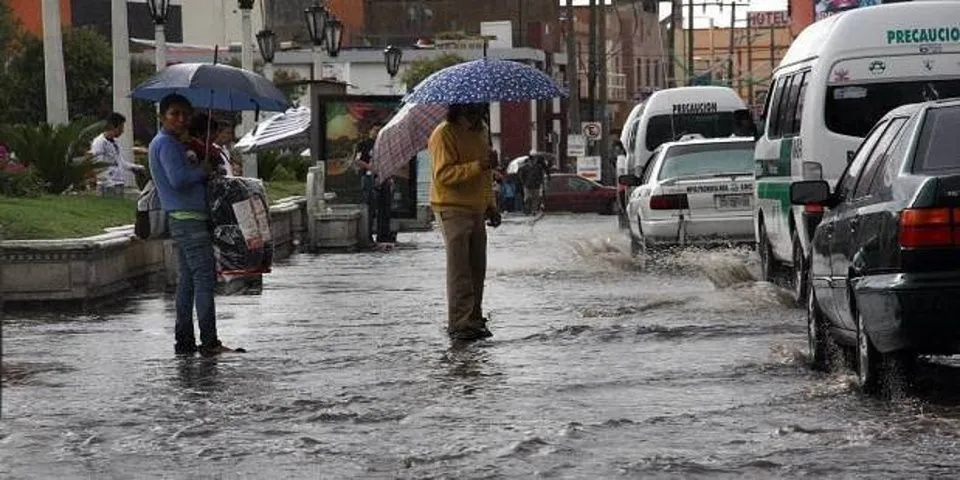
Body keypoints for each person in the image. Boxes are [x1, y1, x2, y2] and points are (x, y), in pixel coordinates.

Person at [149, 94, 239, 356]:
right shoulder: (166, 144)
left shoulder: (173, 143)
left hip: (188, 218)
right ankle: (210, 342)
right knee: (204, 279)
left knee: (188, 282)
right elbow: (178, 180)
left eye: (185, 114)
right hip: (188, 219)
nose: (181, 119)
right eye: (174, 114)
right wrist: (202, 171)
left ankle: (185, 341)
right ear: (162, 116)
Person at [427, 103, 501, 342]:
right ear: (461, 109)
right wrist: (479, 165)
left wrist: (491, 204)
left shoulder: (482, 130)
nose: (478, 115)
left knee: (477, 267)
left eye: (481, 110)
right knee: (460, 269)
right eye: (473, 111)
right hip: (451, 207)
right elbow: (444, 175)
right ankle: (460, 322)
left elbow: (485, 175)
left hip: (477, 207)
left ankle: (474, 316)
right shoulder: (443, 134)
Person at [90, 112, 138, 196]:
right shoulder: (99, 142)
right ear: (112, 127)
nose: (122, 131)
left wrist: (136, 167)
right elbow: (98, 164)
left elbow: (120, 162)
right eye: (120, 128)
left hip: (118, 182)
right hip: (107, 185)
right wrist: (108, 181)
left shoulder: (115, 143)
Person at [354, 124, 382, 244]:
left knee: (377, 205)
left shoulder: (382, 144)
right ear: (370, 131)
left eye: (379, 130)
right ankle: (367, 233)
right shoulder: (363, 144)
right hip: (367, 176)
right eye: (375, 130)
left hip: (379, 177)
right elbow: (358, 160)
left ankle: (378, 233)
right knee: (368, 204)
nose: (376, 132)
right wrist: (370, 167)